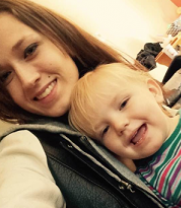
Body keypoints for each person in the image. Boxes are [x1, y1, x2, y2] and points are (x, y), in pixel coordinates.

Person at [0, 0, 165, 208]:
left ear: (60, 37)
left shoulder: (124, 83)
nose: (27, 79)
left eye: (30, 50)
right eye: (5, 75)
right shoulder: (24, 147)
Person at [69, 63, 181, 208]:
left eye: (123, 104)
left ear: (153, 91)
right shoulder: (147, 185)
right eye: (105, 130)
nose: (119, 125)